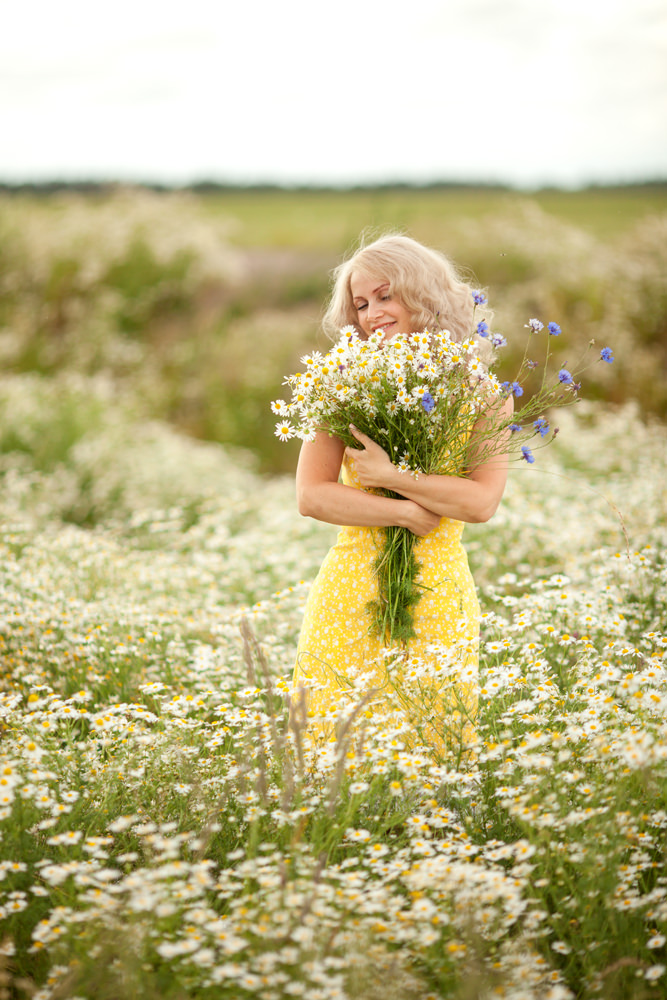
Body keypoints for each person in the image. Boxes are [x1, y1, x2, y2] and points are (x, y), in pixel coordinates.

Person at [291, 234, 512, 756]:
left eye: (385, 296)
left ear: (424, 295)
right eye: (361, 304)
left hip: (437, 590)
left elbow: (480, 503)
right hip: (351, 590)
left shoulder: (481, 393)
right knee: (332, 749)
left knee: (432, 745)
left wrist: (393, 476)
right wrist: (407, 512)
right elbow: (312, 496)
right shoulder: (342, 384)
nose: (372, 315)